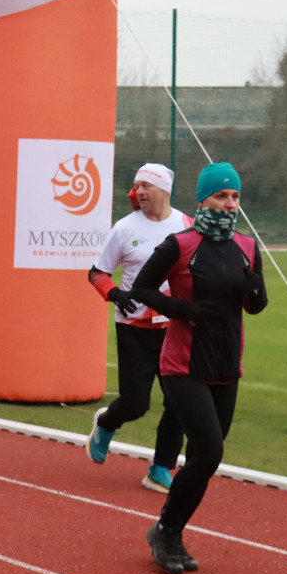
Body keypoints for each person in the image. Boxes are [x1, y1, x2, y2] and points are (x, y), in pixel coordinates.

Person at [130, 162, 267, 574]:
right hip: (182, 365)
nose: (230, 204)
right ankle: (168, 531)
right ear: (203, 199)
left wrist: (257, 291)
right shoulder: (181, 243)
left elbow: (255, 306)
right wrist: (183, 310)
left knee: (205, 460)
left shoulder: (246, 245)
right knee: (209, 450)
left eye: (235, 197)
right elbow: (142, 288)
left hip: (227, 364)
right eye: (222, 196)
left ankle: (167, 529)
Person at [86, 163, 192, 493]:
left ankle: (161, 467)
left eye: (147, 185)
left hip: (175, 329)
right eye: (137, 186)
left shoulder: (187, 225)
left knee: (179, 404)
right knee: (136, 404)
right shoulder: (124, 228)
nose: (140, 192)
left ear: (164, 189)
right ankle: (106, 424)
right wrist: (115, 294)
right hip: (133, 328)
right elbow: (96, 273)